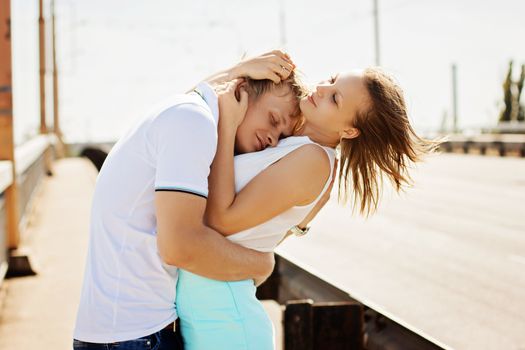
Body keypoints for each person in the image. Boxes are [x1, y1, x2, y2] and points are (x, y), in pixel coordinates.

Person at [174, 65, 441, 349]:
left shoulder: (313, 160)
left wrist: (227, 124)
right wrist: (242, 69)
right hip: (208, 310)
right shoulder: (287, 142)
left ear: (349, 130)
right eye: (332, 80)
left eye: (335, 99)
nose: (322, 89)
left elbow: (220, 220)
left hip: (226, 322)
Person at [72, 50, 301, 350]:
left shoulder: (183, 111)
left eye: (282, 136)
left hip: (119, 332)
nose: (273, 138)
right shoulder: (193, 122)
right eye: (273, 120)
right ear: (241, 91)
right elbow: (180, 247)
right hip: (136, 337)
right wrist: (261, 264)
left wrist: (236, 70)